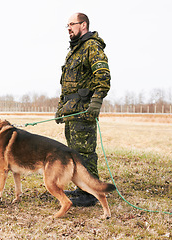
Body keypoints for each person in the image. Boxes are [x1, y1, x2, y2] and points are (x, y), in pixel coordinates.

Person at [55, 13, 111, 207]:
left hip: (84, 111)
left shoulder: (91, 47)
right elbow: (67, 85)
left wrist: (95, 103)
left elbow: (102, 76)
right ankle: (82, 188)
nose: (68, 28)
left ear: (83, 25)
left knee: (85, 153)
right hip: (72, 112)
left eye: (72, 24)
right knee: (74, 153)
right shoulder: (74, 50)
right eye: (67, 24)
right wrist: (61, 109)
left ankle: (91, 193)